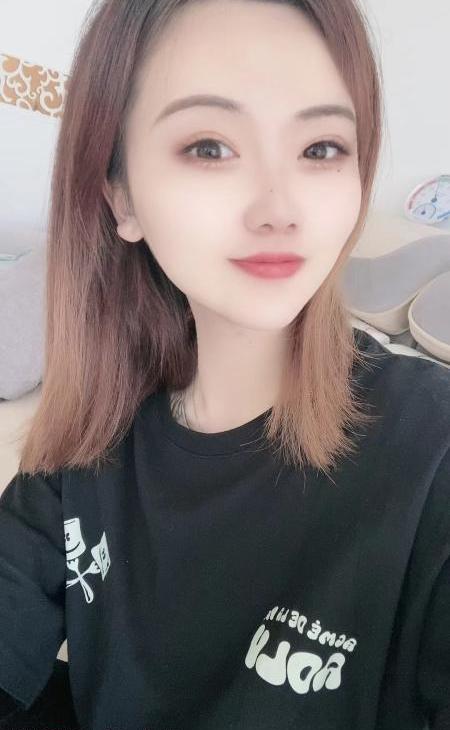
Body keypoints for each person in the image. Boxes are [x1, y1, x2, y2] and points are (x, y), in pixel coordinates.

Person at [0, 0, 449, 728]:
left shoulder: (432, 450)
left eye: (322, 148)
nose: (280, 208)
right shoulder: (92, 434)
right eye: (209, 146)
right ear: (121, 197)